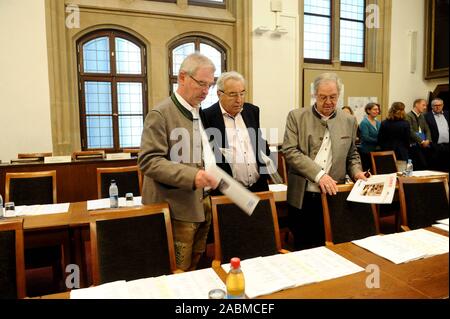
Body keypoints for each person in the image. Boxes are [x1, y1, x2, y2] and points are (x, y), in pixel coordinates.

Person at [138, 52, 218, 271]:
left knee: (195, 268)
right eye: (201, 83)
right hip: (175, 209)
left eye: (210, 85)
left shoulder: (197, 112)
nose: (206, 91)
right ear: (182, 77)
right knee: (176, 274)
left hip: (201, 204)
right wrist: (193, 176)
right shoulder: (160, 113)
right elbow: (149, 161)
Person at [282, 73, 366, 250]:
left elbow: (352, 155)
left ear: (339, 95)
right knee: (304, 247)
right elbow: (290, 151)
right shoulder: (297, 117)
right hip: (303, 196)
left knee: (333, 246)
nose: (328, 102)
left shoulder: (349, 120)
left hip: (334, 196)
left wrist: (357, 172)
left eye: (333, 97)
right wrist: (320, 175)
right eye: (323, 97)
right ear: (314, 95)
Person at [200, 71, 271, 193]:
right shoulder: (207, 116)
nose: (239, 100)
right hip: (227, 191)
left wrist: (266, 172)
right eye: (233, 94)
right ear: (219, 94)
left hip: (258, 186)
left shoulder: (252, 111)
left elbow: (259, 143)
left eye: (242, 94)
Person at [406, 99, 432, 170]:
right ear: (416, 105)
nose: (425, 107)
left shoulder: (422, 116)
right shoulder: (408, 116)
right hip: (413, 145)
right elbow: (410, 131)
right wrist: (421, 141)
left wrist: (428, 140)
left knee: (425, 165)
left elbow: (427, 129)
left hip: (423, 145)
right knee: (418, 166)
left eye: (425, 106)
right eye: (423, 105)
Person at [425, 98, 449, 172]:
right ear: (432, 106)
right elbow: (423, 130)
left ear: (443, 105)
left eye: (440, 105)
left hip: (447, 146)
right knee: (435, 170)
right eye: (435, 105)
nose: (438, 107)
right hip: (434, 147)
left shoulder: (447, 114)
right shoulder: (426, 116)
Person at [358, 102, 381, 170]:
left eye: (377, 109)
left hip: (377, 151)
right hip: (367, 152)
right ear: (368, 110)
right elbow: (366, 137)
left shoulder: (378, 122)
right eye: (374, 109)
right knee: (368, 171)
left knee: (376, 171)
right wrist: (379, 141)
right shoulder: (364, 123)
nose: (377, 111)